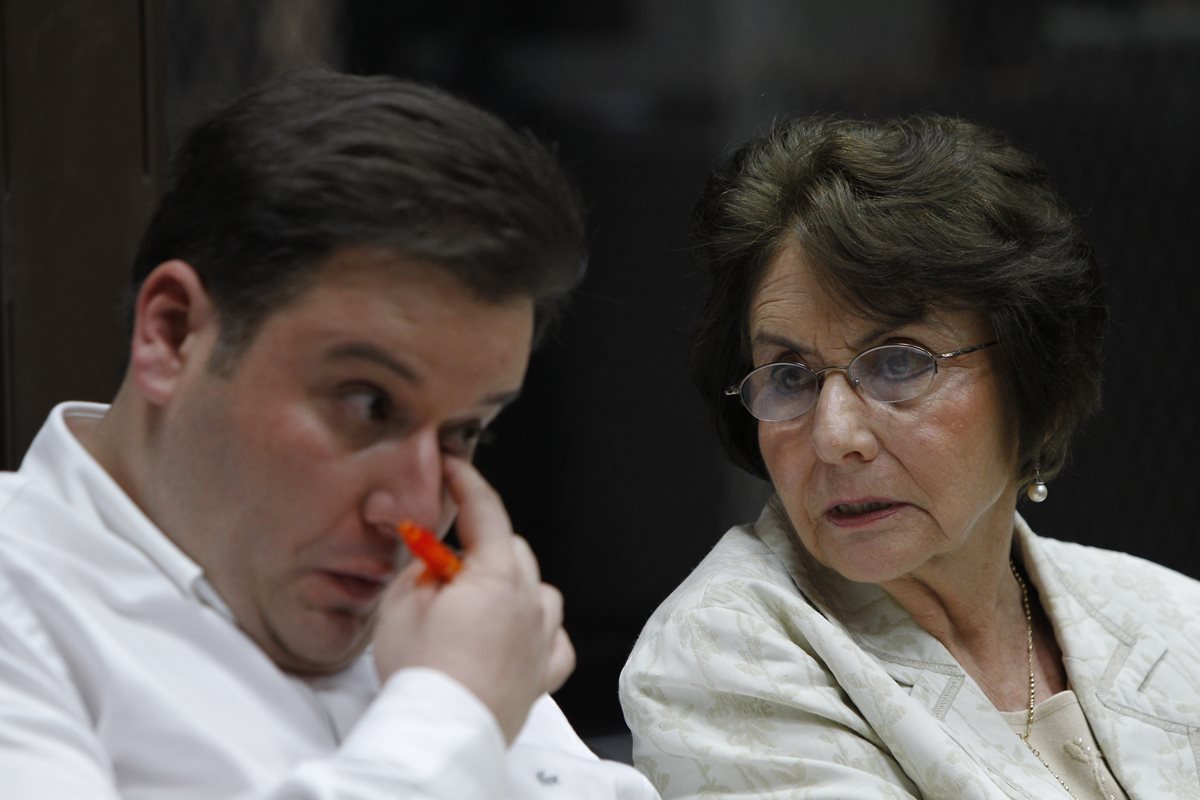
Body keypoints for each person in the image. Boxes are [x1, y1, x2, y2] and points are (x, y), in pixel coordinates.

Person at [0, 68, 658, 800]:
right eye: (367, 403)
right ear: (173, 334)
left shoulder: (437, 622)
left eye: (465, 431)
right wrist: (452, 711)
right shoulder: (22, 600)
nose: (409, 511)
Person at [619, 114, 1200, 799]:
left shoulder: (1173, 617)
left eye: (897, 363)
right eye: (789, 376)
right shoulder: (724, 654)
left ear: (1033, 379)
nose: (836, 436)